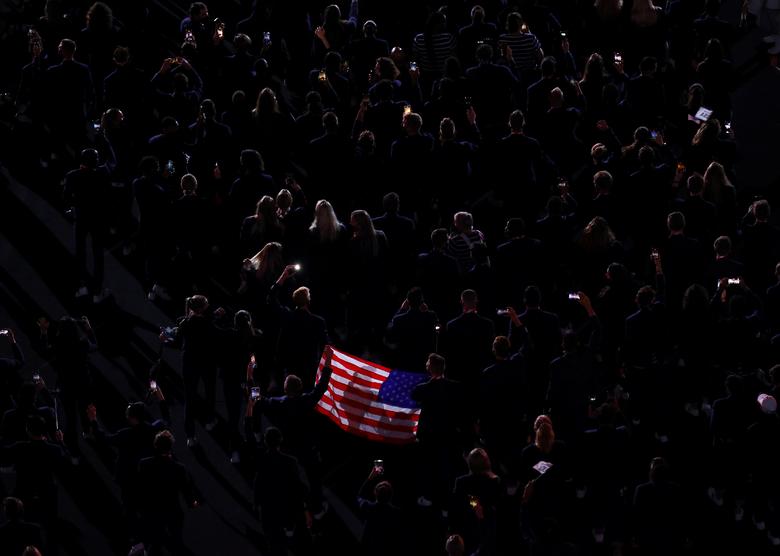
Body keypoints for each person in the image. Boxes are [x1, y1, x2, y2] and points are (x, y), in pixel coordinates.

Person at [250, 346, 334, 518]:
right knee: (314, 479)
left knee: (288, 480)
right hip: (306, 447)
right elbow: (321, 387)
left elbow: (258, 400)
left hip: (286, 447)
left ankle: (289, 513)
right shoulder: (307, 400)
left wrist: (252, 383)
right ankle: (317, 508)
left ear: (285, 388)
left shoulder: (277, 403)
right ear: (300, 387)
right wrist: (328, 363)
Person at [411, 353, 467, 509]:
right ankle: (446, 504)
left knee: (429, 467)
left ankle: (429, 497)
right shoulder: (455, 387)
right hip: (449, 435)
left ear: (430, 368)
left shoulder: (423, 388)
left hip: (429, 437)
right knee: (446, 469)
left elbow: (414, 394)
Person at [168, 295, 221, 447]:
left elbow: (176, 342)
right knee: (210, 392)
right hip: (206, 363)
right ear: (202, 308)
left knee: (189, 399)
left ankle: (190, 436)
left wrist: (164, 338)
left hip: (189, 363)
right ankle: (210, 420)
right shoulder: (208, 323)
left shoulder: (185, 323)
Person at [137, 431, 198, 554]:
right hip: (172, 510)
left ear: (155, 445)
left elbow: (139, 486)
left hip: (152, 509)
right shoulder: (179, 468)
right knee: (177, 540)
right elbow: (186, 489)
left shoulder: (144, 464)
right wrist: (192, 503)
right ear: (170, 447)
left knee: (155, 543)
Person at [63, 148, 111, 301]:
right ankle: (97, 291)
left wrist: (72, 208)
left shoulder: (72, 175)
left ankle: (82, 286)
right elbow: (106, 197)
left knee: (80, 253)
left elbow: (66, 197)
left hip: (81, 217)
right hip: (97, 219)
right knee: (98, 254)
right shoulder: (101, 175)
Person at [253, 426, 308, 551]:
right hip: (286, 508)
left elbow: (258, 483)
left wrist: (256, 503)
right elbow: (297, 485)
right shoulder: (290, 461)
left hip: (268, 509)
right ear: (280, 440)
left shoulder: (262, 461)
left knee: (273, 543)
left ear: (265, 441)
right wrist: (304, 505)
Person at [449, 448, 502, 555]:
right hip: (487, 528)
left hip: (466, 528)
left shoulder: (461, 482)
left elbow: (455, 507)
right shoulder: (494, 482)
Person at [277, 286, 329, 385]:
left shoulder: (288, 319)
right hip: (310, 367)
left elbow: (281, 344)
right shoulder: (318, 321)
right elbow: (325, 346)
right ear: (308, 301)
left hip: (291, 366)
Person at [444, 289, 495, 386]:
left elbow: (449, 353)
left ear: (461, 302)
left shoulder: (451, 325)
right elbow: (491, 350)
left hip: (458, 374)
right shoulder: (487, 324)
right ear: (476, 301)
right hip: (482, 373)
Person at [386, 287, 439, 372]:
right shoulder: (431, 316)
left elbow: (389, 335)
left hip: (404, 362)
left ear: (408, 302)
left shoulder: (399, 319)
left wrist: (401, 310)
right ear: (422, 302)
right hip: (423, 363)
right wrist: (427, 311)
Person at [357, 463, 403, 556]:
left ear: (375, 492)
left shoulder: (368, 507)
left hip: (369, 548)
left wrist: (370, 477)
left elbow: (360, 496)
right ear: (391, 495)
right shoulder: (396, 513)